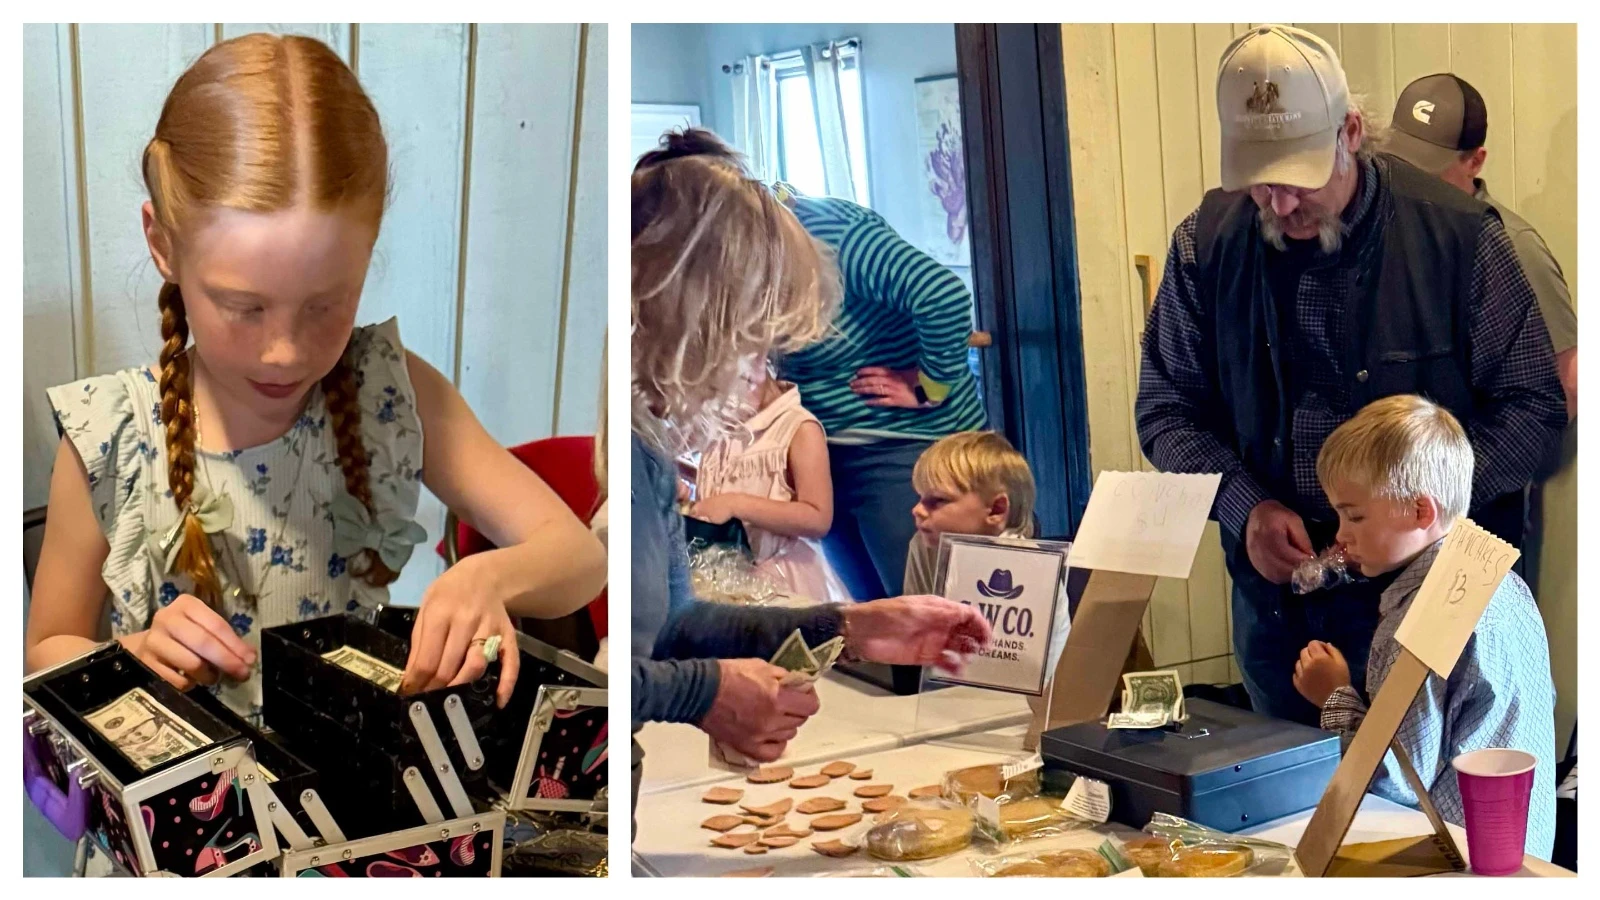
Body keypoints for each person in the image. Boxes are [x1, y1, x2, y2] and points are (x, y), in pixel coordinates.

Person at [25, 34, 606, 720]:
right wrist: (126, 661)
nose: (286, 353)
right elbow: (44, 648)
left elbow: (580, 557)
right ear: (162, 245)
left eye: (327, 305)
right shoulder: (109, 435)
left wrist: (490, 575)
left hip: (350, 808)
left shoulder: (390, 392)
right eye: (243, 307)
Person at [1135, 25, 1566, 724]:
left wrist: (1404, 515)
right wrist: (1246, 506)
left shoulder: (1459, 238)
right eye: (1261, 184)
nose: (1280, 206)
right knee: (1285, 808)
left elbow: (1532, 411)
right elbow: (1165, 410)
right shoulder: (1205, 243)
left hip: (1431, 599)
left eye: (1300, 180)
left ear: (1352, 133)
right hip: (1280, 601)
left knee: (1418, 811)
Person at [631, 142, 992, 802]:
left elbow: (670, 626)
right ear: (691, 311)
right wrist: (707, 692)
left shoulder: (649, 446)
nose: (762, 370)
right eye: (753, 337)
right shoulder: (638, 448)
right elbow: (627, 665)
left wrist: (847, 627)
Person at [636, 128, 987, 604]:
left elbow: (943, 295)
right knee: (871, 611)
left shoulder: (836, 234)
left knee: (921, 607)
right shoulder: (731, 260)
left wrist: (928, 387)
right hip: (826, 446)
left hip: (899, 444)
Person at [1292, 394, 1555, 860]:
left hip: (1454, 857)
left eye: (1354, 515)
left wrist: (1334, 697)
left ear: (1419, 511)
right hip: (1522, 845)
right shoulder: (1502, 581)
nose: (1341, 535)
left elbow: (1398, 779)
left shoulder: (1429, 616)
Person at [1383, 73, 1576, 420]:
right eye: (1399, 164)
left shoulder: (1514, 246)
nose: (1409, 182)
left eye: (1426, 172)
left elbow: (1569, 384)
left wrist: (1496, 469)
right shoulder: (1389, 228)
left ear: (1475, 161)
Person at [688, 355, 852, 604]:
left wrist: (735, 503)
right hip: (724, 580)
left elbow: (818, 518)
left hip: (781, 583)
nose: (719, 404)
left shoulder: (800, 428)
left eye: (721, 391)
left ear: (756, 363)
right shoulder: (723, 428)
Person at [903, 431, 1036, 596]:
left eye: (938, 499)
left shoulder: (1033, 566)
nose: (917, 510)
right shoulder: (923, 546)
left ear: (996, 510)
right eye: (921, 497)